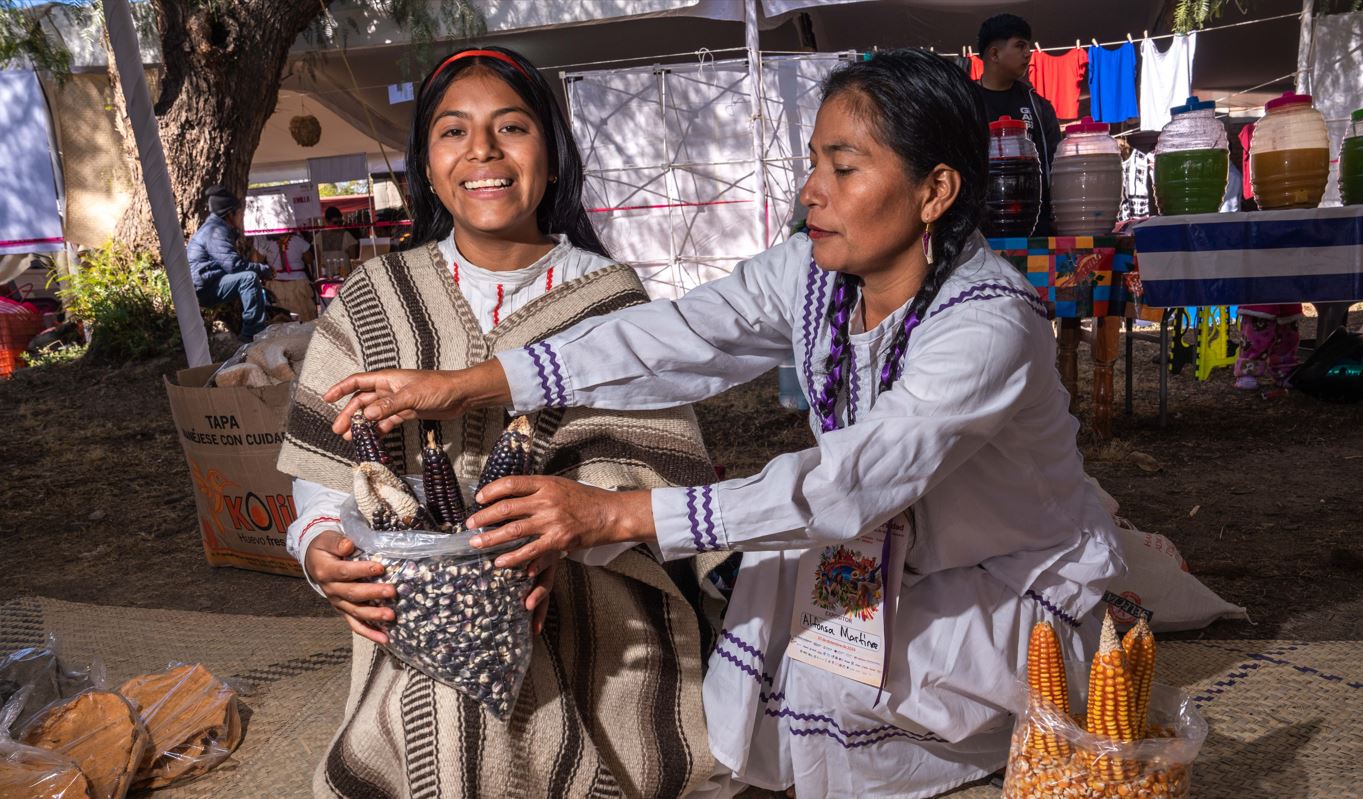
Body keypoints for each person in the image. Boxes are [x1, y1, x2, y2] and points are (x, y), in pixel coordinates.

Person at [327, 49, 1125, 798]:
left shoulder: (987, 327)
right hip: (877, 552)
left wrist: (614, 512)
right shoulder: (813, 277)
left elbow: (853, 481)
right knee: (764, 675)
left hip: (995, 573)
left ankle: (1014, 697)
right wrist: (466, 385)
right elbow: (670, 338)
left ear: (934, 191)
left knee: (824, 682)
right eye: (813, 161)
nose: (809, 190)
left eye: (842, 168)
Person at [276, 46, 724, 798]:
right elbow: (326, 468)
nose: (481, 151)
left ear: (550, 156)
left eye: (510, 128)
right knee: (448, 691)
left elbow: (656, 472)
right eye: (453, 132)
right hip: (415, 601)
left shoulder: (608, 300)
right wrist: (320, 545)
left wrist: (565, 533)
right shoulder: (373, 297)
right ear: (425, 162)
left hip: (590, 599)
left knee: (483, 709)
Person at [976, 14, 1062, 236]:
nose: (1028, 54)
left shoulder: (1037, 106)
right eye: (1020, 45)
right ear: (994, 53)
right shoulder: (966, 102)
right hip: (979, 232)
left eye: (1028, 46)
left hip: (1036, 228)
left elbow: (1055, 163)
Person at [188, 186, 272, 341]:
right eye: (240, 213)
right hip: (203, 289)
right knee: (248, 278)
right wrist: (263, 269)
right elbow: (234, 266)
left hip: (209, 283)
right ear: (229, 214)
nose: (242, 218)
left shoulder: (216, 228)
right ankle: (252, 336)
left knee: (248, 278)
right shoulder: (216, 231)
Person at [266, 230, 319, 321]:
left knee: (280, 316)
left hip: (277, 283)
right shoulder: (298, 240)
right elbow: (309, 260)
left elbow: (256, 260)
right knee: (303, 315)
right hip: (298, 283)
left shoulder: (266, 242)